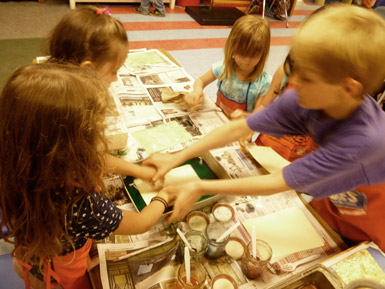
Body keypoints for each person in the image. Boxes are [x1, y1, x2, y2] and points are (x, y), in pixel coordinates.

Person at [144, 4, 385, 251]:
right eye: (295, 69)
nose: (292, 82)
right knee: (317, 225)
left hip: (369, 210)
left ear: (349, 89)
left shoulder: (363, 143)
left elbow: (279, 181)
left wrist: (200, 186)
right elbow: (239, 128)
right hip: (331, 197)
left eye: (307, 77)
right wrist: (177, 157)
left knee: (346, 248)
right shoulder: (309, 95)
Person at [0, 63, 174, 289]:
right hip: (61, 273)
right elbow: (141, 223)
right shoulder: (86, 206)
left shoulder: (20, 160)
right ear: (71, 148)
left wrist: (138, 170)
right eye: (96, 132)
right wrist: (164, 197)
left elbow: (95, 159)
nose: (100, 138)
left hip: (27, 251)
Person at [48, 6, 156, 181]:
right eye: (113, 71)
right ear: (88, 69)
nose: (115, 79)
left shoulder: (57, 83)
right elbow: (93, 158)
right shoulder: (71, 113)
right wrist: (143, 174)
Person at [184, 14, 272, 118]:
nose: (246, 60)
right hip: (218, 119)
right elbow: (200, 81)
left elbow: (260, 112)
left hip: (240, 128)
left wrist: (247, 115)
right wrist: (197, 91)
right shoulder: (223, 68)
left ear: (263, 53)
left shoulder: (264, 83)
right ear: (232, 47)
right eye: (242, 53)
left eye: (253, 55)